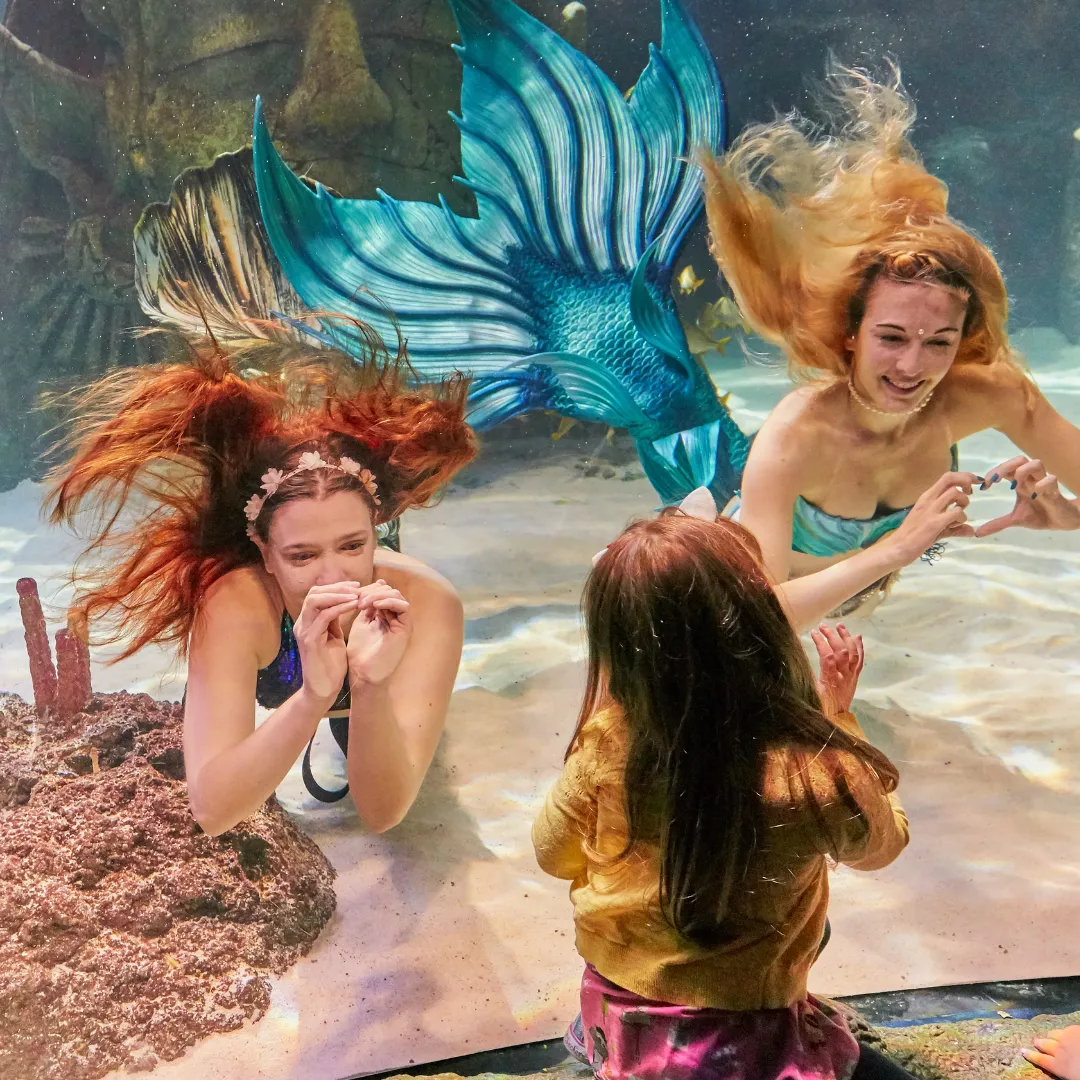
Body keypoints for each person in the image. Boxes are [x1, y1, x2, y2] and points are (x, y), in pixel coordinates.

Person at [533, 499, 917, 1079]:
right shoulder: (818, 768)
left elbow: (551, 855)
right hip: (739, 1040)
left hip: (619, 1008)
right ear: (763, 626)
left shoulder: (604, 744)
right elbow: (883, 845)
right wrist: (839, 717)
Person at [44, 322, 475, 835]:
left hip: (372, 684)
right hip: (281, 658)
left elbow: (383, 814)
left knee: (366, 745)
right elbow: (213, 810)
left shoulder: (425, 602)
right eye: (301, 557)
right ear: (265, 555)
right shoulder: (236, 603)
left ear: (376, 536)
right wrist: (313, 697)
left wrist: (368, 686)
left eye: (354, 546)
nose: (334, 577)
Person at [700, 66, 1080, 628]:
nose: (912, 366)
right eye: (891, 337)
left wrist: (1068, 516)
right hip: (734, 617)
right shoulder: (795, 437)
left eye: (940, 342)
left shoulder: (987, 395)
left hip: (846, 612)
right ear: (850, 333)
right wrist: (901, 547)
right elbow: (759, 618)